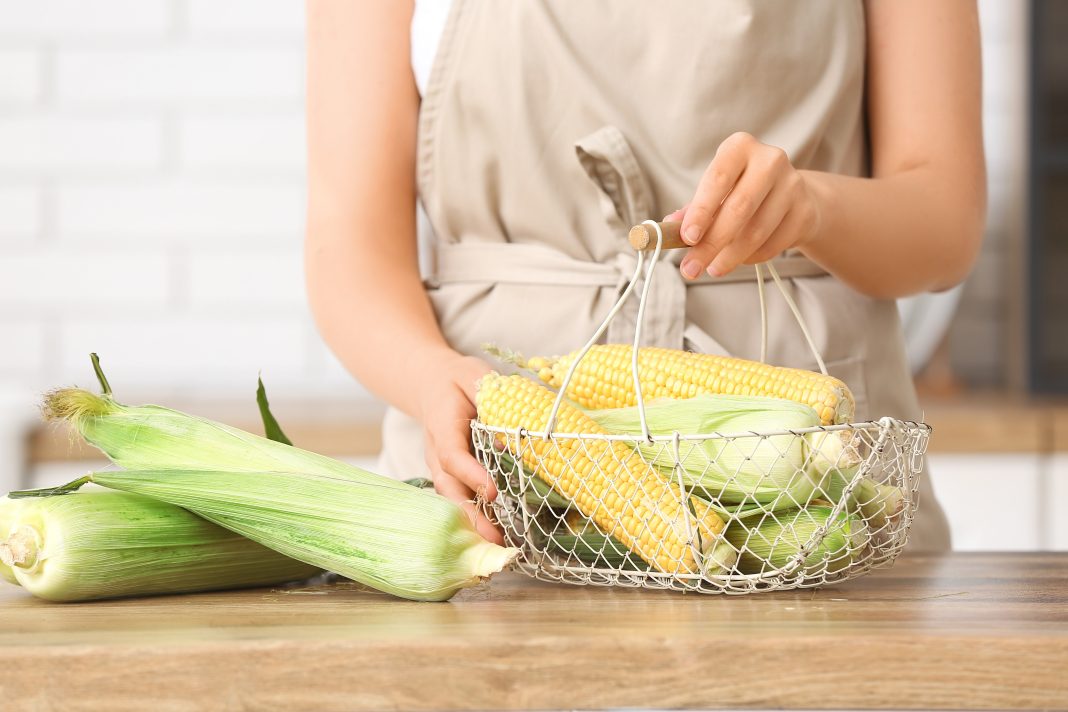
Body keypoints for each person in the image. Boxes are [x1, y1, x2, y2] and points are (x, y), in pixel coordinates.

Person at [304, 0, 985, 551]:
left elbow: (945, 223)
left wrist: (812, 208)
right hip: (496, 485)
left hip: (812, 500)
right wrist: (428, 377)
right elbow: (351, 242)